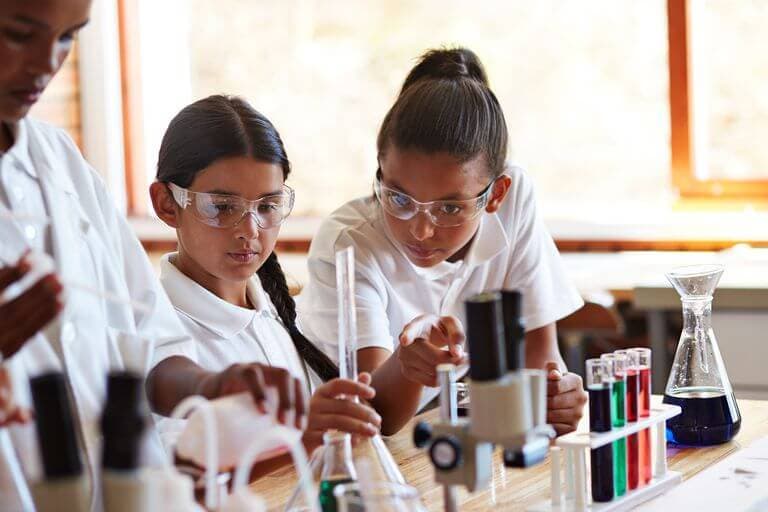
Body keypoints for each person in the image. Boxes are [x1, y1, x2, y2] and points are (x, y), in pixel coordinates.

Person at [0, 2, 304, 509]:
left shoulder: (62, 164)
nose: (45, 64)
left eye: (67, 36)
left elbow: (150, 347)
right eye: (18, 33)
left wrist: (210, 384)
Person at [298, 48, 588, 436]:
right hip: (328, 443)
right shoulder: (349, 243)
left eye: (449, 208)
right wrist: (406, 364)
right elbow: (375, 412)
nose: (421, 230)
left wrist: (555, 397)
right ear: (380, 169)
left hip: (427, 431)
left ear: (496, 194)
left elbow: (539, 360)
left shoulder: (514, 200)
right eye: (399, 199)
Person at [149, 95, 381, 455]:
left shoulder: (274, 310)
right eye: (222, 207)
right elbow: (173, 468)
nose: (250, 230)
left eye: (268, 206)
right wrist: (297, 439)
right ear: (167, 203)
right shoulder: (159, 337)